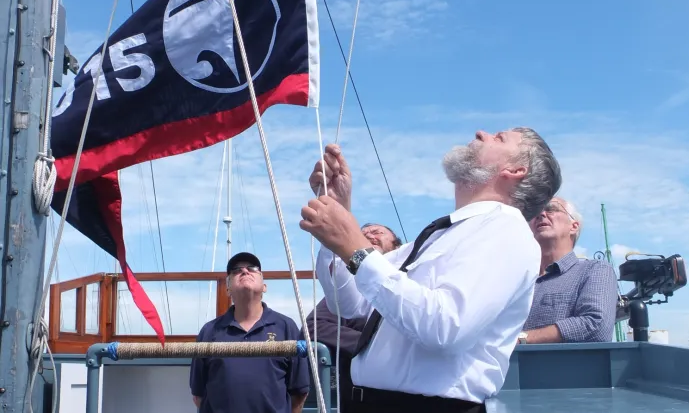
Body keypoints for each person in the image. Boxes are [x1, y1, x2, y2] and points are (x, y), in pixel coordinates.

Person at [299, 128, 561, 413]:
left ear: (515, 170)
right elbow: (349, 305)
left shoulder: (507, 230)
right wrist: (340, 221)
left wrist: (357, 250)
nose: (481, 132)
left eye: (499, 137)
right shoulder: (440, 237)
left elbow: (446, 327)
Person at [189, 252, 310, 413]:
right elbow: (199, 395)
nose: (245, 271)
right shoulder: (209, 332)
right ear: (227, 289)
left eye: (252, 268)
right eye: (236, 270)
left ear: (264, 286)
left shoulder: (286, 327)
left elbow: (299, 392)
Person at [305, 223, 402, 409]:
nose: (369, 236)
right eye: (363, 235)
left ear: (397, 246)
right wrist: (371, 342)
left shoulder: (415, 279)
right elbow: (313, 327)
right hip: (364, 397)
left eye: (377, 232)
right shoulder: (350, 289)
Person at [521, 197, 619, 343]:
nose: (541, 214)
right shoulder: (517, 281)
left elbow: (596, 325)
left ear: (573, 226)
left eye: (551, 209)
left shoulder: (595, 270)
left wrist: (522, 338)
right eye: (535, 212)